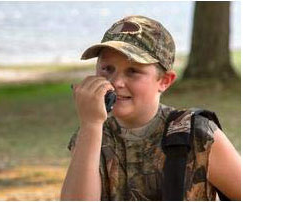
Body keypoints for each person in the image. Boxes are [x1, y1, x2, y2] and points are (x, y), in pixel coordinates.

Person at [60, 15, 241, 201]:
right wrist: (90, 125)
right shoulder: (92, 135)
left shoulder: (196, 134)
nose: (115, 82)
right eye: (107, 69)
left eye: (133, 71)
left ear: (164, 81)